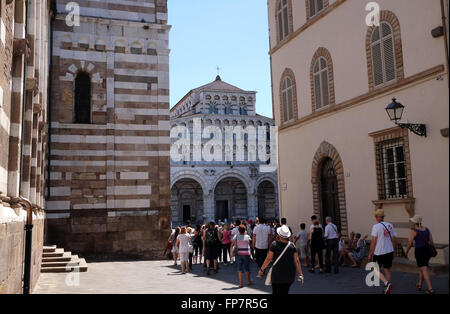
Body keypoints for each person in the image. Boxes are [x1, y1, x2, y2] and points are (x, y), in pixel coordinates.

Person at [258, 225, 304, 294]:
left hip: (277, 274)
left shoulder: (274, 244)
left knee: (276, 291)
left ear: (279, 234)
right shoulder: (292, 246)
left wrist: (262, 269)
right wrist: (300, 274)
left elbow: (269, 259)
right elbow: (297, 260)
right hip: (289, 274)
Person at [368, 209, 397, 294]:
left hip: (379, 252)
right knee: (387, 269)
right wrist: (393, 250)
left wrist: (370, 253)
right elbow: (394, 239)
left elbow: (373, 241)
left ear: (377, 217)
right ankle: (387, 288)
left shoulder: (376, 226)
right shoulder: (390, 225)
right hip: (389, 251)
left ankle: (387, 283)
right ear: (383, 217)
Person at [405, 215, 435, 294]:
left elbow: (410, 243)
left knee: (424, 269)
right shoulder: (427, 229)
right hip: (427, 251)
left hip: (419, 251)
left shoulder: (414, 231)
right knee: (422, 267)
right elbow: (431, 241)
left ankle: (430, 289)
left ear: (415, 222)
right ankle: (420, 284)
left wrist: (406, 252)